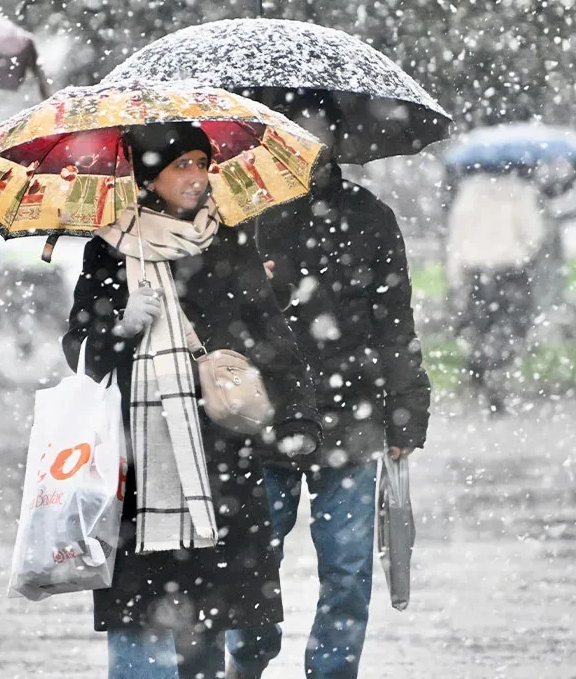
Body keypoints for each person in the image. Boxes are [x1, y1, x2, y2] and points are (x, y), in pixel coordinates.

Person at [63, 122, 322, 679]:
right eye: (182, 164)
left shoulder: (228, 238)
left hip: (219, 455)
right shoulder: (108, 250)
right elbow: (79, 353)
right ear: (149, 174)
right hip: (140, 462)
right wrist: (120, 328)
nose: (197, 177)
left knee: (210, 614)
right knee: (141, 618)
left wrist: (299, 416)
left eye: (203, 163)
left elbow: (272, 332)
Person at [226, 93, 432, 679]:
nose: (307, 145)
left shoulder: (371, 218)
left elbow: (396, 323)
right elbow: (214, 316)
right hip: (260, 417)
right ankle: (246, 660)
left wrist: (406, 409)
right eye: (293, 132)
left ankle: (332, 672)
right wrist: (253, 286)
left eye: (316, 132)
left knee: (347, 572)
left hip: (351, 417)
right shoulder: (240, 215)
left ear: (337, 139)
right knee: (250, 564)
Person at [445, 165, 546, 414]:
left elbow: (456, 238)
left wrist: (455, 276)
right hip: (510, 271)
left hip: (476, 273)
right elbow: (534, 235)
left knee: (479, 326)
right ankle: (496, 372)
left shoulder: (468, 193)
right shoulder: (521, 192)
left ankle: (480, 367)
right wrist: (523, 252)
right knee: (509, 327)